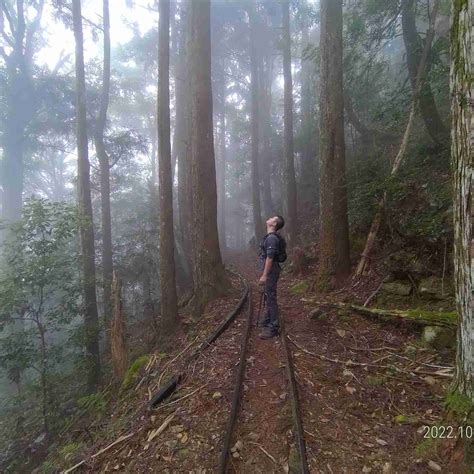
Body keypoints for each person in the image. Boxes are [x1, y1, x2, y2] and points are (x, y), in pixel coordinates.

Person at [258, 215, 285, 339]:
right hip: (271, 270)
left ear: (274, 224)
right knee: (268, 295)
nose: (269, 218)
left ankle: (273, 327)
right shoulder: (270, 237)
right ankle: (267, 319)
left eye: (272, 218)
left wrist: (264, 275)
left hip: (271, 270)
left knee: (271, 297)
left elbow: (269, 258)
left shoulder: (272, 239)